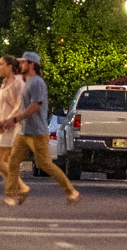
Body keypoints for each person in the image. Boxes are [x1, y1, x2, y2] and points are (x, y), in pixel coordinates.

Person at [8, 51, 77, 204]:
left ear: (31, 64)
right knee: (13, 161)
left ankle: (71, 191)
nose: (20, 65)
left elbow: (34, 107)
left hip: (37, 132)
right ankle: (13, 194)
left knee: (45, 164)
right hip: (25, 131)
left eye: (23, 62)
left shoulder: (37, 82)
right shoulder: (29, 82)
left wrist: (16, 119)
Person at [0, 55, 28, 206]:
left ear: (10, 66)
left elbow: (20, 105)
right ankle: (10, 196)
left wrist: (7, 120)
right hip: (1, 127)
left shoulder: (18, 83)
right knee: (7, 161)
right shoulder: (4, 84)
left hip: (9, 128)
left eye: (1, 64)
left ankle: (22, 187)